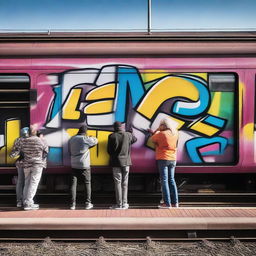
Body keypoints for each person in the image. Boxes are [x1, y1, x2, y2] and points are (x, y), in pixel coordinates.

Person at [11, 126, 48, 210]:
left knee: (26, 183)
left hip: (26, 164)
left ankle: (23, 201)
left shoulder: (22, 141)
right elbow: (46, 151)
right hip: (37, 164)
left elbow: (16, 152)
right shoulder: (41, 140)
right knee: (33, 183)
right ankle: (28, 203)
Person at [149, 118, 179, 209]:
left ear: (164, 125)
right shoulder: (176, 133)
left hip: (163, 158)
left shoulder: (161, 134)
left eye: (161, 125)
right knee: (171, 180)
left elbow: (152, 139)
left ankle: (167, 204)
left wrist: (157, 130)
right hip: (173, 158)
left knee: (164, 181)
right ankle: (175, 203)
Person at [107, 121, 137, 209]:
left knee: (118, 183)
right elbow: (134, 139)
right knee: (125, 183)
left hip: (116, 162)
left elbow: (109, 151)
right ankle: (125, 203)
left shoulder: (111, 136)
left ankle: (119, 204)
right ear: (122, 127)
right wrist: (131, 133)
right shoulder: (128, 135)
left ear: (114, 128)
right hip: (126, 162)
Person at [68, 125, 98, 210]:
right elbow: (96, 141)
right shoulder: (85, 139)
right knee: (87, 183)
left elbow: (69, 151)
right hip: (84, 165)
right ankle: (88, 203)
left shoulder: (72, 139)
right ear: (85, 132)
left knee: (73, 184)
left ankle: (72, 204)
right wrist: (92, 137)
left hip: (74, 164)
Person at [10, 127, 29, 208]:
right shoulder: (32, 140)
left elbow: (13, 153)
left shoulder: (17, 140)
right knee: (28, 182)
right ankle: (26, 200)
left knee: (20, 181)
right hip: (29, 163)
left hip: (20, 163)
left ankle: (19, 201)